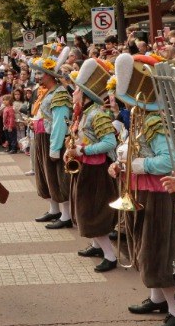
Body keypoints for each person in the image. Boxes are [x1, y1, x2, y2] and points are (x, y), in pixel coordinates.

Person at [108, 55, 175, 326]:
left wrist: (135, 165)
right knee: (145, 247)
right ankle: (157, 299)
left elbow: (169, 162)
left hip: (158, 194)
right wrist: (119, 164)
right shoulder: (143, 118)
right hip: (142, 189)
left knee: (158, 251)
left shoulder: (154, 122)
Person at [67, 59, 120, 272]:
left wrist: (82, 150)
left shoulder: (97, 114)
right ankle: (97, 246)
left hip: (96, 171)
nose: (73, 94)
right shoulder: (86, 112)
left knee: (92, 212)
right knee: (85, 209)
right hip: (86, 168)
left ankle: (110, 255)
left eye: (77, 91)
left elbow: (110, 142)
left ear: (86, 94)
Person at [31, 48, 74, 230]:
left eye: (40, 73)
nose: (37, 77)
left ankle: (66, 215)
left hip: (51, 139)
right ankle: (54, 209)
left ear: (49, 75)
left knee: (58, 177)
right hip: (42, 137)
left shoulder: (60, 94)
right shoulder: (47, 92)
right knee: (45, 175)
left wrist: (55, 147)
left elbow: (59, 123)